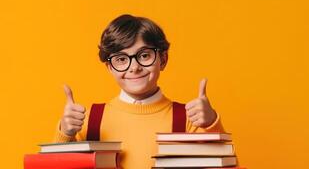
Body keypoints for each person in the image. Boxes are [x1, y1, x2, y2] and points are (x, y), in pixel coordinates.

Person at [54, 14, 225, 168]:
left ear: (163, 59)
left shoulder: (190, 119)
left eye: (144, 55)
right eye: (121, 59)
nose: (134, 68)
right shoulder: (88, 120)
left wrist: (211, 125)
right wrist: (65, 134)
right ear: (109, 67)